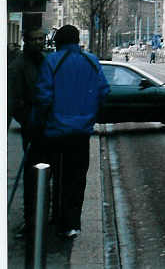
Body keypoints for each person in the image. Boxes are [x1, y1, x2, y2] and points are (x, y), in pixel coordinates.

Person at [31, 24, 109, 239]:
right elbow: (104, 90)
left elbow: (44, 96)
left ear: (59, 41)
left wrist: (37, 122)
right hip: (81, 132)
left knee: (52, 175)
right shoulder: (91, 61)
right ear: (76, 41)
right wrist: (90, 112)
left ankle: (54, 216)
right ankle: (72, 222)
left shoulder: (52, 61)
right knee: (76, 178)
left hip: (55, 131)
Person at [8, 27, 48, 241]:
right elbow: (13, 101)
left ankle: (43, 215)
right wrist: (28, 121)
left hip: (47, 127)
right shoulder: (18, 66)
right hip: (32, 129)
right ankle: (31, 219)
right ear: (26, 41)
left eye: (42, 38)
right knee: (33, 176)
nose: (40, 42)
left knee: (45, 173)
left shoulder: (45, 61)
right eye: (35, 39)